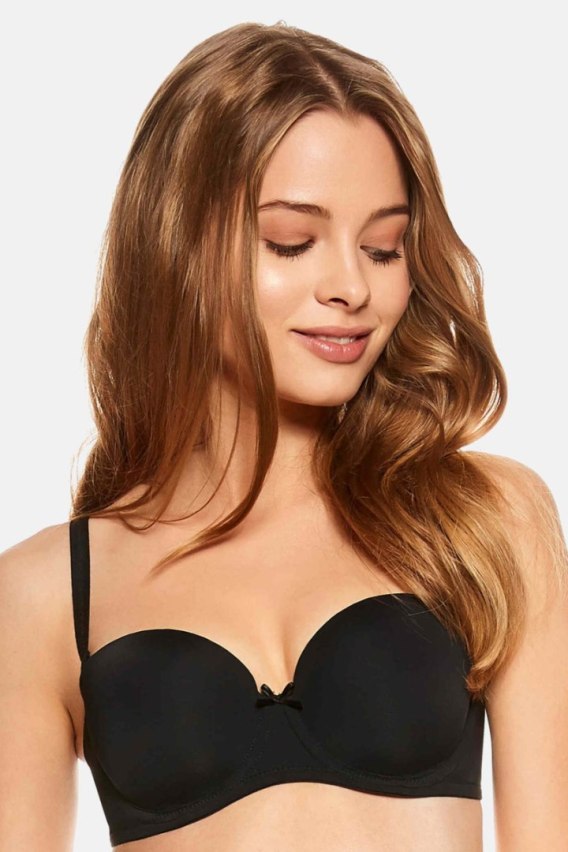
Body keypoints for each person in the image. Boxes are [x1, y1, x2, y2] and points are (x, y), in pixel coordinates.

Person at [1, 20, 567, 852]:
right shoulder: (45, 596)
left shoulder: (483, 520)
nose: (351, 286)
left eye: (383, 247)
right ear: (177, 244)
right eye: (291, 242)